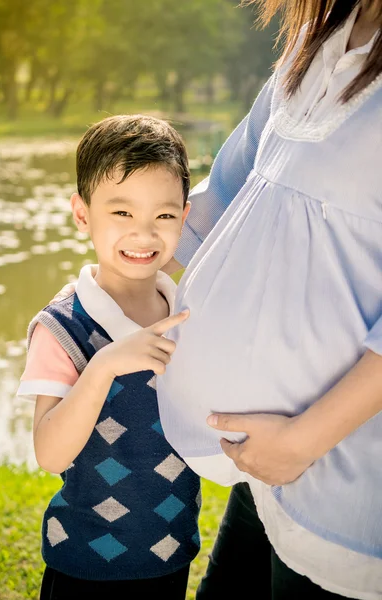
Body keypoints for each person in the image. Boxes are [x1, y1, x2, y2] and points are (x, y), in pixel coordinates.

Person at [154, 0, 382, 598]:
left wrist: (303, 440)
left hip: (342, 471)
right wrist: (117, 281)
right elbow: (228, 195)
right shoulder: (315, 43)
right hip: (264, 471)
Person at [16, 114, 201, 600]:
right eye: (121, 214)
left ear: (183, 217)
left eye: (163, 216)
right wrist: (104, 365)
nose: (144, 235)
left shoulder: (187, 311)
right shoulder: (64, 328)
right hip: (86, 564)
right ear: (83, 215)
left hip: (170, 552)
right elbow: (49, 453)